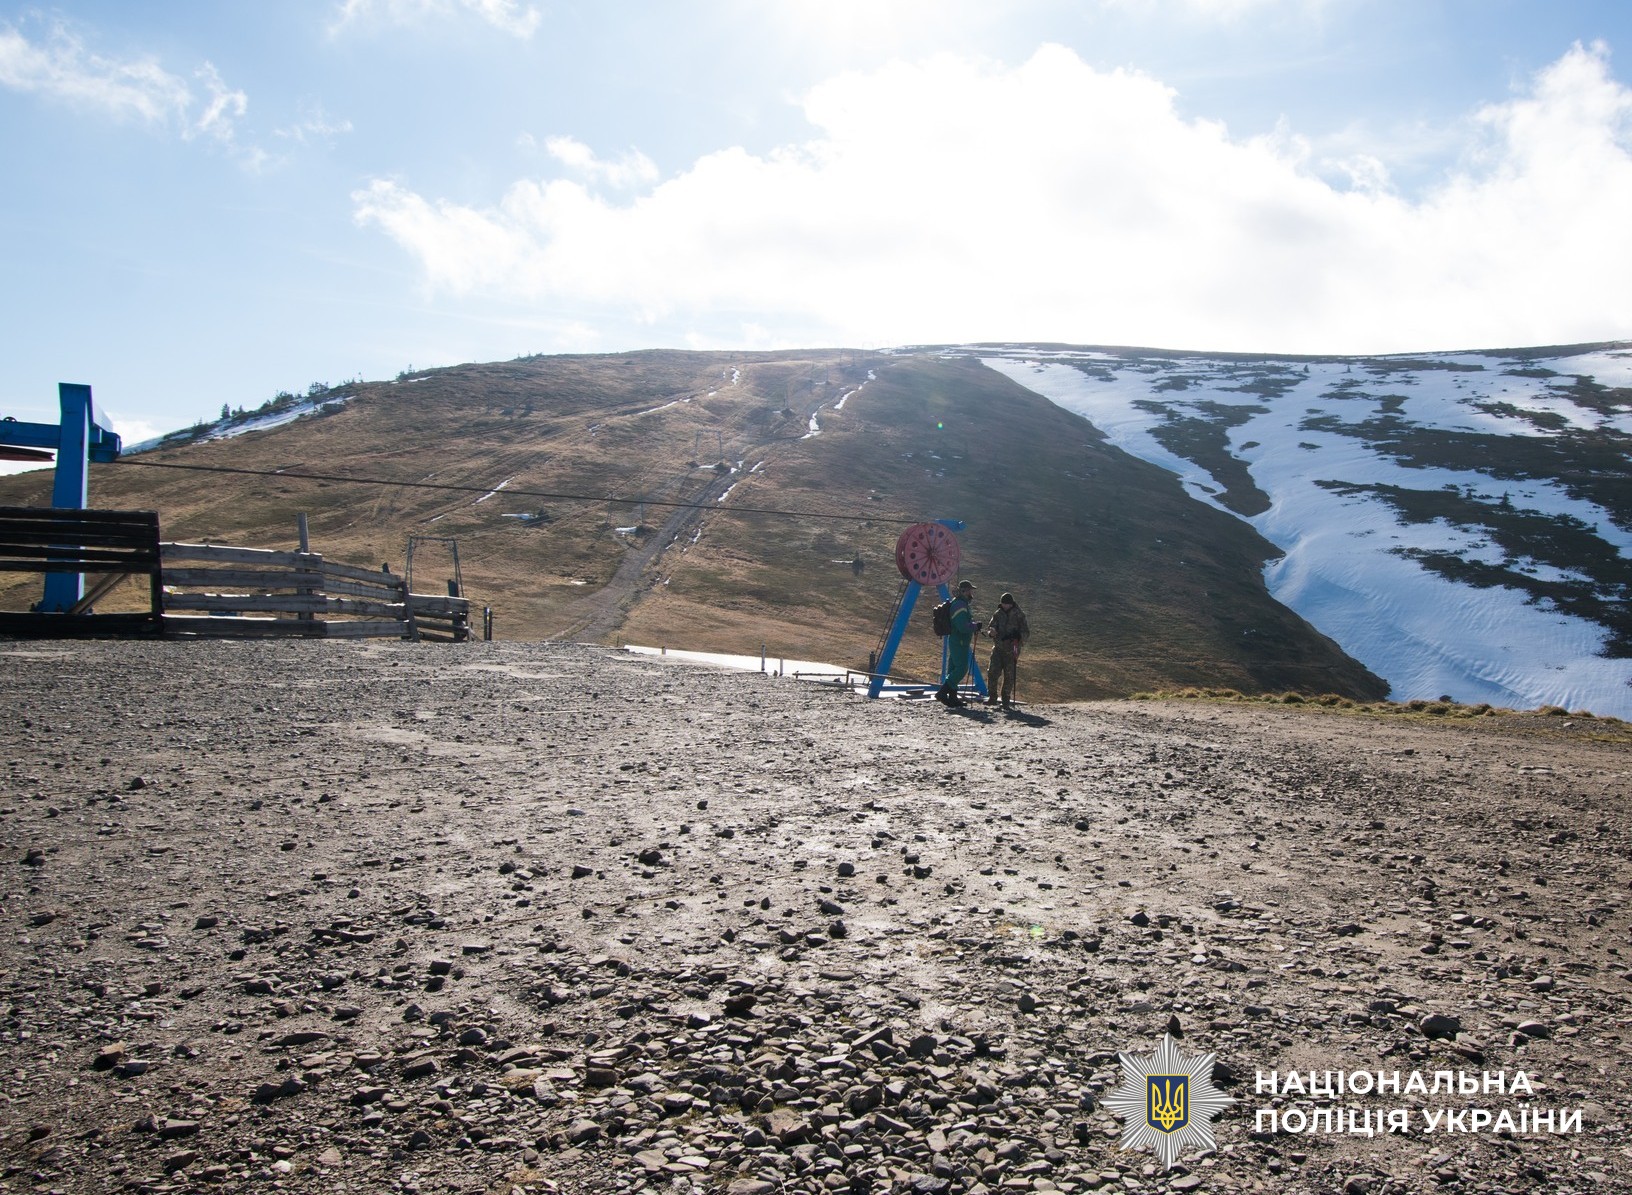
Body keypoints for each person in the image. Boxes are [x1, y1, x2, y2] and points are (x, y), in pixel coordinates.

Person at [935, 580, 982, 707]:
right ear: (964, 591)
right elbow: (962, 626)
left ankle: (953, 697)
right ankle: (942, 693)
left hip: (957, 639)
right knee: (961, 668)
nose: (971, 593)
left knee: (953, 668)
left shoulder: (960, 603)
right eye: (970, 590)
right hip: (959, 640)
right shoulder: (960, 605)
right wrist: (975, 626)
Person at [983, 591, 1030, 709]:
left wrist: (1018, 637)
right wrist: (991, 632)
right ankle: (992, 698)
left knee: (1009, 675)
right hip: (998, 648)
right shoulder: (998, 614)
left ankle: (1005, 700)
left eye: (1006, 604)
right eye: (1003, 604)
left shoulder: (1019, 615)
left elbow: (1026, 632)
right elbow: (991, 626)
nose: (1004, 606)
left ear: (1011, 604)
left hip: (1012, 650)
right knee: (992, 672)